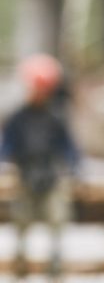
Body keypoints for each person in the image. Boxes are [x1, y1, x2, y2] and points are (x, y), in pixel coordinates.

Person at [0, 54, 80, 278]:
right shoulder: (17, 118)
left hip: (51, 175)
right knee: (21, 219)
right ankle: (20, 261)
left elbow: (68, 146)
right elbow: (7, 144)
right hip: (25, 174)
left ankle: (55, 262)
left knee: (57, 218)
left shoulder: (55, 118)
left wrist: (74, 166)